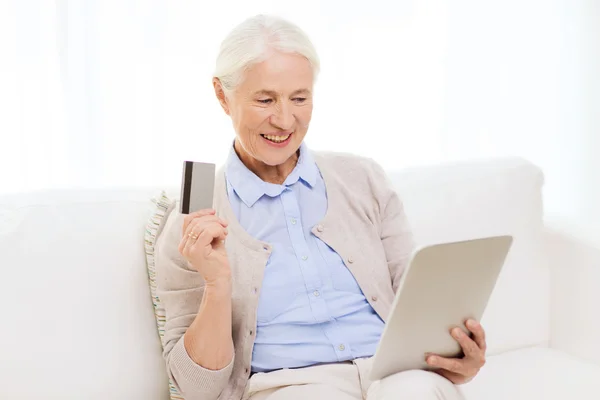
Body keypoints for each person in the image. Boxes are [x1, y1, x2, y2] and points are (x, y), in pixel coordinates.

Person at [154, 14, 486, 400]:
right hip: (292, 386)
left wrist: (456, 354)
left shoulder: (363, 178)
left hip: (393, 373)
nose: (284, 120)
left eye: (299, 98)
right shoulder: (195, 219)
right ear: (222, 95)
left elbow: (414, 295)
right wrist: (216, 284)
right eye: (265, 100)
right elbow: (197, 389)